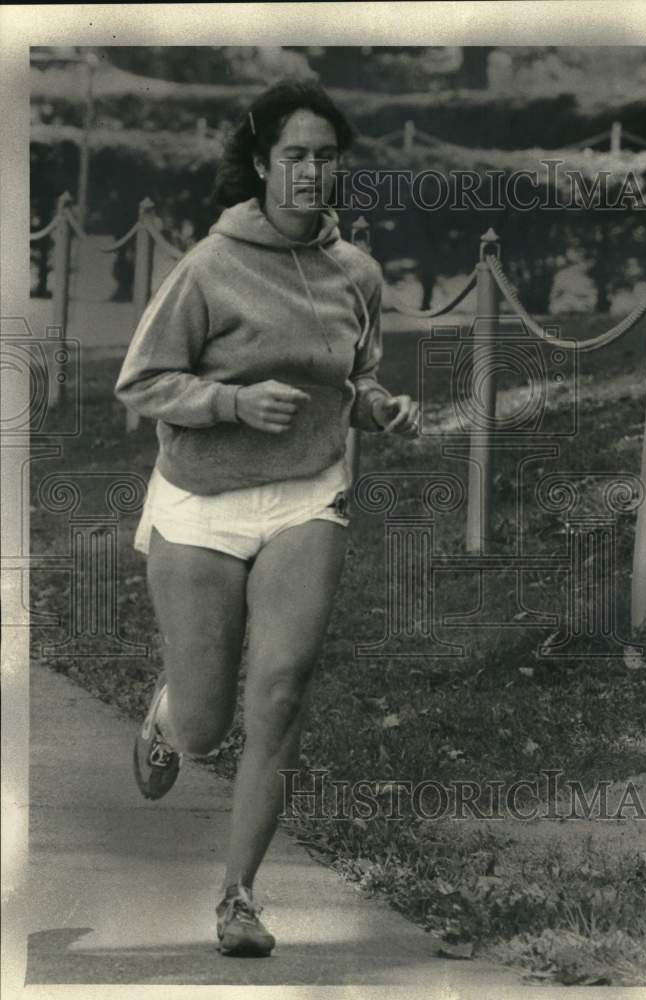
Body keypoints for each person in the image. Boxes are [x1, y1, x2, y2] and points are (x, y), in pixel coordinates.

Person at [115, 79, 419, 957]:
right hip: (201, 500)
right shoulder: (207, 267)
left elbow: (352, 381)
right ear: (260, 164)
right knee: (210, 726)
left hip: (305, 496)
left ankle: (239, 897)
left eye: (327, 157)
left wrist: (379, 409)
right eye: (295, 156)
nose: (312, 173)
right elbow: (141, 381)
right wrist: (231, 405)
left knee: (281, 695)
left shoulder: (355, 270)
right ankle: (171, 714)